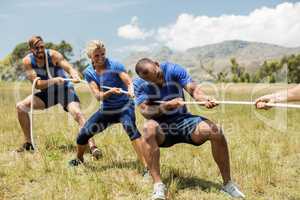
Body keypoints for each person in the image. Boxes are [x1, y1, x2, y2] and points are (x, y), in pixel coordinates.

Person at [133, 58, 245, 199]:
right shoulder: (138, 84)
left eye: (158, 74)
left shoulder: (173, 69)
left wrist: (203, 98)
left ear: (156, 64)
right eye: (152, 80)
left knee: (216, 131)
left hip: (184, 120)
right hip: (161, 127)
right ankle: (158, 185)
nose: (158, 80)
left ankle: (228, 184)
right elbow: (145, 111)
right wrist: (166, 106)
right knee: (147, 128)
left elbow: (193, 89)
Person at [16, 36, 101, 159]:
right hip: (46, 93)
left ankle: (93, 147)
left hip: (65, 90)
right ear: (30, 49)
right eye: (37, 48)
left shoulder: (53, 55)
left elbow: (69, 67)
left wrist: (74, 74)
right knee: (20, 107)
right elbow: (38, 84)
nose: (40, 50)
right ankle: (29, 143)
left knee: (78, 114)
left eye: (42, 47)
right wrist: (54, 80)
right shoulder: (27, 61)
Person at [69, 40, 146, 169]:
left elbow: (128, 82)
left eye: (103, 54)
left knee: (130, 128)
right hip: (107, 109)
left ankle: (147, 167)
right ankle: (79, 159)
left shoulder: (115, 65)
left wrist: (131, 90)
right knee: (83, 134)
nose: (101, 58)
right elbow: (98, 96)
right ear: (91, 57)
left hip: (125, 106)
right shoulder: (89, 73)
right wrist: (109, 92)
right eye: (97, 56)